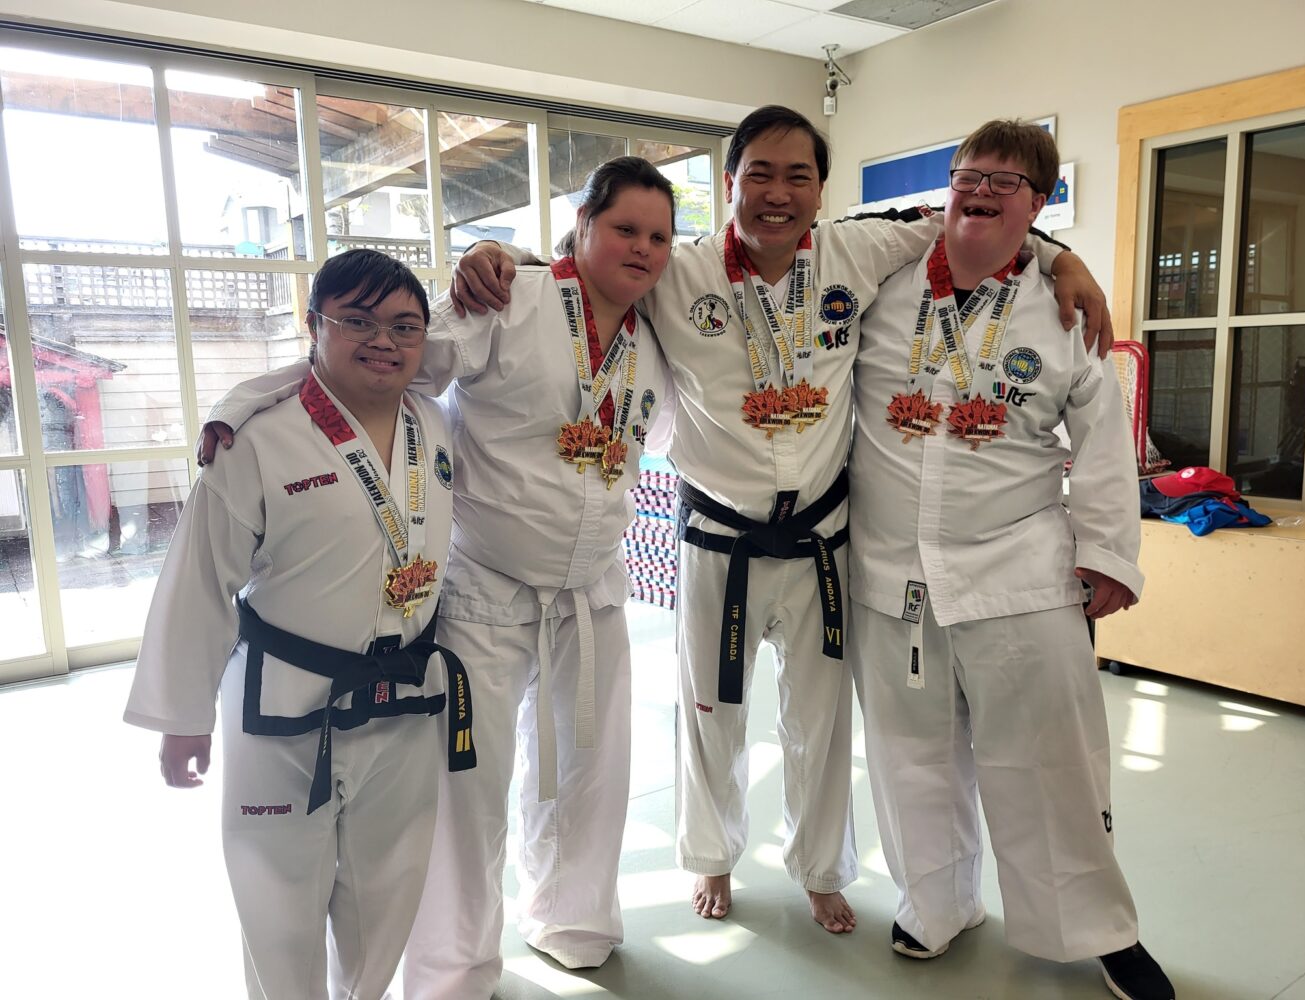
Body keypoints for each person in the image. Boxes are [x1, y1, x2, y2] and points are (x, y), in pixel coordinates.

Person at [448, 104, 1112, 934]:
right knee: (707, 716)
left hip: (821, 543)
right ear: (728, 184)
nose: (776, 192)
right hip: (715, 537)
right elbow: (585, 268)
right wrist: (494, 255)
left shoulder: (859, 248)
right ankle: (713, 860)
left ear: (820, 190)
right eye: (757, 173)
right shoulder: (678, 270)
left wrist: (1062, 256)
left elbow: (974, 223)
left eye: (797, 175)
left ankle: (820, 869)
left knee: (820, 724)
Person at [198, 157, 679, 1000]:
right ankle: (455, 970)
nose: (642, 249)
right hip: (485, 590)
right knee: (469, 797)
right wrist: (246, 402)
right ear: (583, 225)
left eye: (659, 236)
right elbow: (378, 363)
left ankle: (574, 919)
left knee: (594, 769)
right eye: (624, 229)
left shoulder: (656, 334)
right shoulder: (511, 299)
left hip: (593, 589)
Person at [847, 119, 1174, 1000]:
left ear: (1037, 206)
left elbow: (1102, 441)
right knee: (909, 759)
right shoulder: (880, 278)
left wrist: (1106, 553)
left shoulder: (1065, 309)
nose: (983, 190)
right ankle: (936, 902)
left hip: (1020, 569)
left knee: (1049, 765)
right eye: (970, 174)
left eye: (1008, 180)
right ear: (946, 186)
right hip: (890, 576)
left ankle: (1098, 929)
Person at [124, 249, 475, 999]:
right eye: (356, 320)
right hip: (284, 704)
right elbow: (198, 584)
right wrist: (182, 718)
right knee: (277, 900)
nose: (383, 339)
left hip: (403, 697)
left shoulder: (434, 425)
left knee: (390, 889)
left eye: (402, 325)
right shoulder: (255, 440)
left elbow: (473, 320)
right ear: (311, 325)